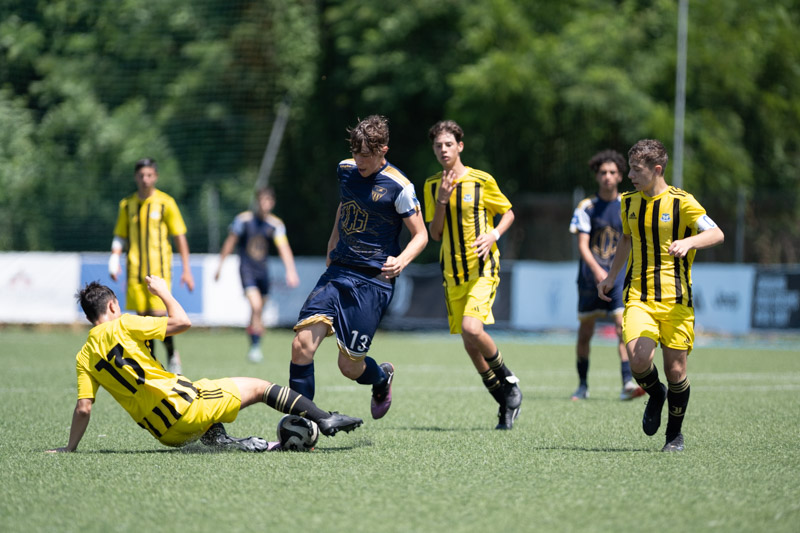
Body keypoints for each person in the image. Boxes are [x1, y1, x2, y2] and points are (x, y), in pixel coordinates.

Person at [47, 276, 362, 453]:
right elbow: (182, 322)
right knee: (259, 387)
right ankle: (324, 418)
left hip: (165, 434)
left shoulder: (84, 356)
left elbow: (84, 408)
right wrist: (163, 292)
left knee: (205, 394)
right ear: (113, 305)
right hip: (185, 408)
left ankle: (231, 443)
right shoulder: (124, 323)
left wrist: (70, 448)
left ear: (89, 316)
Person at [288, 115, 428, 420]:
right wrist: (332, 242)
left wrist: (401, 260)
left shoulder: (400, 186)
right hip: (338, 272)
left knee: (349, 367)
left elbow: (421, 235)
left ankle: (381, 378)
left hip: (372, 282)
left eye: (366, 155)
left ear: (383, 150)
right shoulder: (345, 170)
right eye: (355, 153)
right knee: (301, 346)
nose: (359, 160)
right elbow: (345, 204)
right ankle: (303, 423)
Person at [598, 139, 724, 452]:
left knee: (676, 371)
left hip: (676, 300)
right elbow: (625, 240)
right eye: (630, 169)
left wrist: (689, 242)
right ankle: (656, 394)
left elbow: (716, 233)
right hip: (639, 296)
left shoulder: (682, 202)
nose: (630, 175)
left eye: (636, 170)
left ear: (656, 170)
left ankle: (674, 435)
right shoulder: (628, 202)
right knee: (639, 360)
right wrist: (611, 276)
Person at [423, 120, 522, 430]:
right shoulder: (431, 185)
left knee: (471, 328)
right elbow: (435, 233)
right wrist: (442, 198)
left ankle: (509, 381)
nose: (443, 150)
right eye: (438, 145)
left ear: (460, 146)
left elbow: (508, 213)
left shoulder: (481, 180)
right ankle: (504, 402)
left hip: (483, 268)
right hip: (452, 274)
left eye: (448, 144)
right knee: (469, 343)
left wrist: (494, 235)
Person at [569, 150, 644, 401]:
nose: (607, 177)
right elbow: (583, 245)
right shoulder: (587, 207)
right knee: (585, 332)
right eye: (603, 172)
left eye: (612, 172)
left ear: (621, 175)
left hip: (619, 276)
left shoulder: (628, 204)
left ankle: (627, 382)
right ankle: (582, 385)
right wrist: (597, 270)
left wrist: (613, 273)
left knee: (622, 327)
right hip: (590, 278)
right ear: (597, 176)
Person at [109, 158, 194, 375]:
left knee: (158, 317)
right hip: (135, 271)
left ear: (155, 177)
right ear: (135, 177)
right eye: (141, 175)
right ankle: (153, 366)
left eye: (149, 175)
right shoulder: (126, 205)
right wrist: (114, 259)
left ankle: (172, 354)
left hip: (159, 272)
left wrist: (186, 269)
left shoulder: (166, 203)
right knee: (143, 321)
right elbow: (120, 235)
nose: (145, 179)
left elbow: (180, 236)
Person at [215, 187, 300, 363]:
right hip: (246, 270)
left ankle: (255, 343)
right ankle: (255, 347)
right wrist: (220, 265)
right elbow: (230, 242)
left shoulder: (275, 225)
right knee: (256, 306)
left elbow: (283, 248)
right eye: (261, 200)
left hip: (263, 272)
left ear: (272, 203)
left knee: (258, 312)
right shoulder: (243, 220)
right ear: (257, 202)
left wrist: (291, 270)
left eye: (267, 200)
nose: (264, 204)